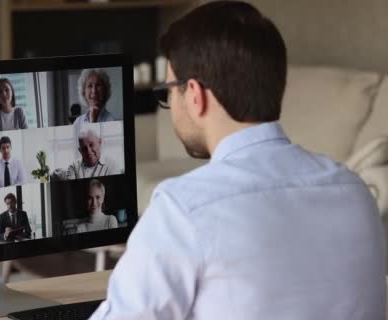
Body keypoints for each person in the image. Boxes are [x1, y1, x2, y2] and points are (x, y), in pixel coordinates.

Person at [91, 2, 386, 319]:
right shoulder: (355, 191)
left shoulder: (183, 209)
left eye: (168, 93)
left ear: (194, 94)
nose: (170, 105)